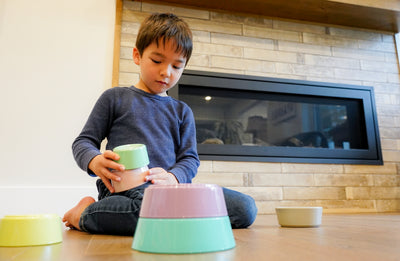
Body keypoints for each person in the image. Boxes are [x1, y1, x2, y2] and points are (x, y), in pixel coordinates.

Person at [63, 13, 257, 235]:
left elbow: (189, 159)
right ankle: (85, 214)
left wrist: (173, 177)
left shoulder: (182, 111)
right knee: (148, 210)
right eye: (157, 61)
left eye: (177, 66)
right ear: (137, 55)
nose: (166, 72)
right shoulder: (114, 98)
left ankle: (170, 217)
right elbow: (83, 141)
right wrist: (94, 160)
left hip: (172, 191)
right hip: (125, 191)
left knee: (244, 208)